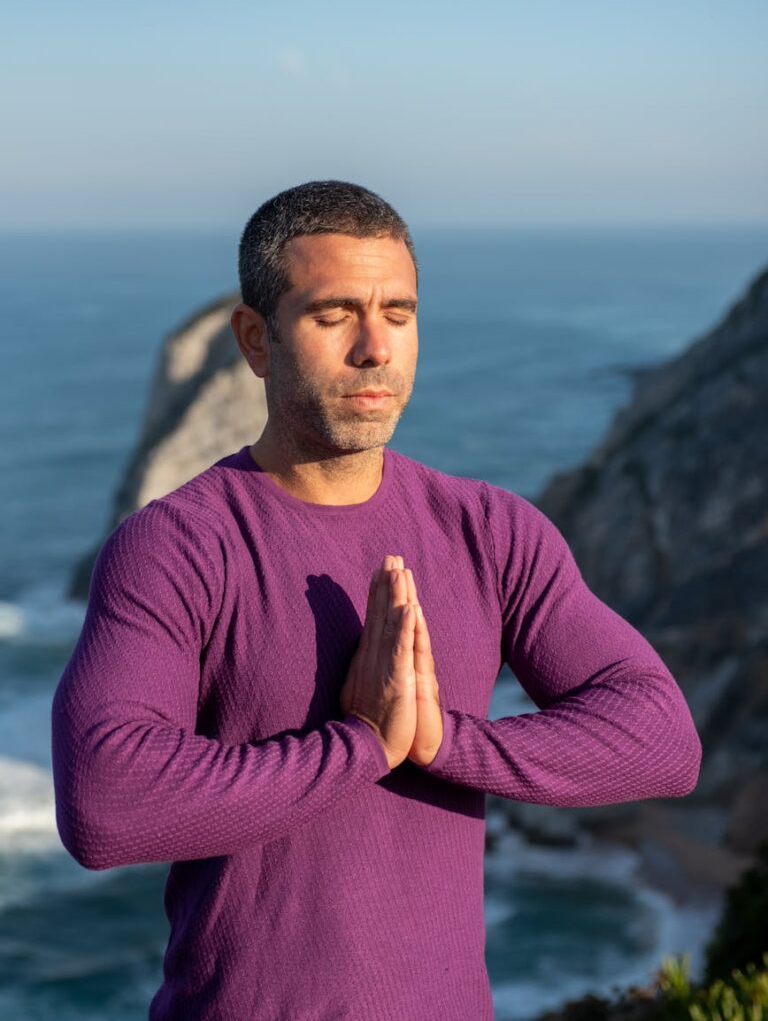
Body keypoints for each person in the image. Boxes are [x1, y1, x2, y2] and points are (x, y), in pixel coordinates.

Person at [51, 180, 702, 1021]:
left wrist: (440, 740)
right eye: (334, 316)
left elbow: (661, 740)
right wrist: (358, 745)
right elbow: (106, 806)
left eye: (399, 313)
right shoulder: (176, 546)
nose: (375, 349)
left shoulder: (490, 530)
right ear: (255, 339)